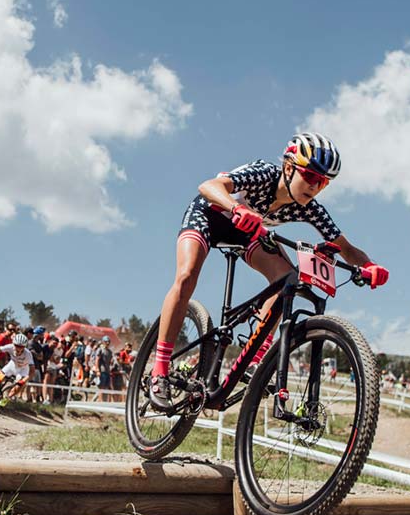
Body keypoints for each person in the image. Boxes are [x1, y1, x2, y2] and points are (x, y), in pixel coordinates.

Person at [148, 133, 388, 408]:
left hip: (247, 230)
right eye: (311, 177)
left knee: (287, 280)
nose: (316, 187)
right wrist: (236, 206)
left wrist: (369, 266)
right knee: (187, 275)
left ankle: (255, 361)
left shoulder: (309, 208)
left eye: (324, 183)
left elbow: (346, 248)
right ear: (289, 167)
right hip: (209, 214)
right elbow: (209, 186)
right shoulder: (265, 174)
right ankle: (160, 368)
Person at [0, 332, 33, 407]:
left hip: (23, 370)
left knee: (19, 386)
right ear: (13, 344)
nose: (18, 348)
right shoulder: (10, 347)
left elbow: (32, 370)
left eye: (21, 347)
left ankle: (7, 398)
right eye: (17, 346)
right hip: (12, 366)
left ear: (24, 347)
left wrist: (24, 380)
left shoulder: (28, 354)